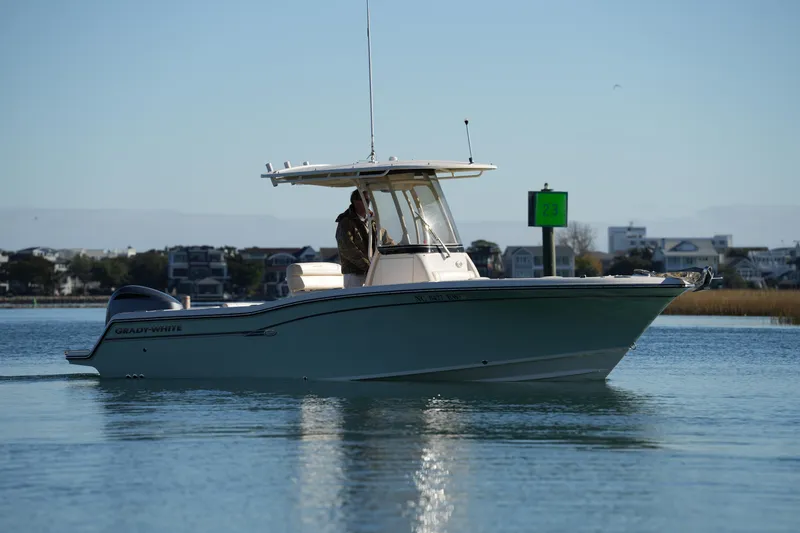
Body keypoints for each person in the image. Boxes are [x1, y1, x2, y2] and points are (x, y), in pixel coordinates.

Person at [335, 189, 394, 288]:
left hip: (373, 271)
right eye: (366, 200)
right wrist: (368, 266)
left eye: (369, 200)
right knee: (354, 300)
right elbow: (347, 249)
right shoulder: (346, 221)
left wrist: (398, 252)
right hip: (354, 273)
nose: (369, 203)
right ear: (355, 201)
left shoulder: (374, 220)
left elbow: (385, 240)